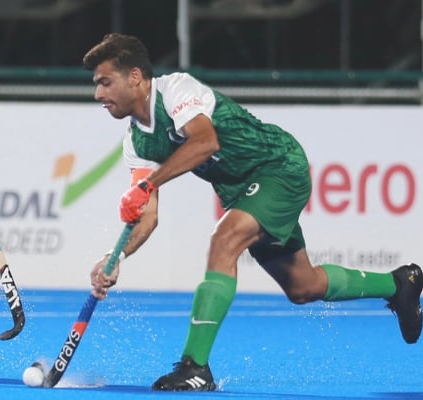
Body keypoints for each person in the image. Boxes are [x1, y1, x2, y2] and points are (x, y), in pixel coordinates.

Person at [84, 33, 422, 392]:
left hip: (279, 167)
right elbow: (146, 215)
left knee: (224, 240)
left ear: (135, 76)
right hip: (243, 190)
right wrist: (116, 254)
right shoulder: (136, 140)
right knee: (302, 286)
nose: (98, 95)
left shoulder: (176, 90)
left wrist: (148, 183)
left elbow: (205, 141)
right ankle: (401, 283)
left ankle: (194, 366)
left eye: (105, 82)